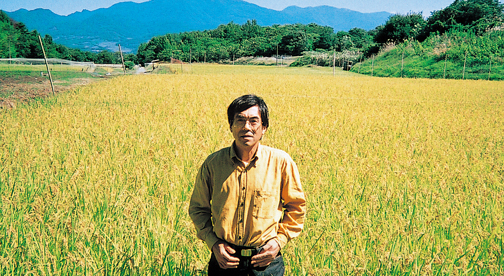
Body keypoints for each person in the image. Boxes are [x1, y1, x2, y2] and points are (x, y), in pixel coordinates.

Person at [189, 94, 306, 276]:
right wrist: (214, 243)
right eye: (240, 120)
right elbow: (198, 209)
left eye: (253, 121)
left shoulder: (281, 162)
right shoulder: (212, 164)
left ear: (264, 127)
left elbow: (296, 207)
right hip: (224, 261)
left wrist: (279, 241)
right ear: (231, 126)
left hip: (266, 263)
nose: (246, 127)